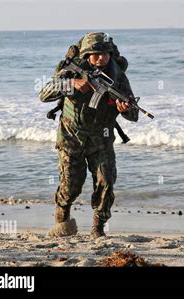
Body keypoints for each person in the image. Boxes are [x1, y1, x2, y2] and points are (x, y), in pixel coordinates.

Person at [39, 32, 139, 239]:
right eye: (95, 54)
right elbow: (44, 94)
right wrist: (71, 85)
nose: (100, 58)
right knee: (71, 186)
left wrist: (125, 109)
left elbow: (134, 115)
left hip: (101, 138)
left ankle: (98, 228)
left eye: (104, 53)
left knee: (106, 182)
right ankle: (62, 216)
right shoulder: (70, 71)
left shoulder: (117, 76)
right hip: (71, 137)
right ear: (86, 55)